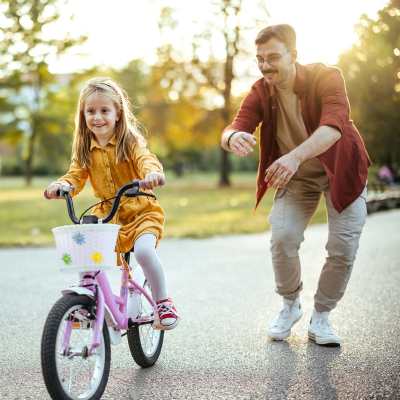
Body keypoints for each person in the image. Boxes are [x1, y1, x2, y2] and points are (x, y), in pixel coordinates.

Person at [221, 24, 370, 346]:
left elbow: (333, 128)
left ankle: (322, 316)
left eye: (273, 57)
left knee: (343, 248)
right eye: (259, 58)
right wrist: (233, 137)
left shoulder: (326, 78)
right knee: (282, 237)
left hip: (342, 172)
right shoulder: (262, 90)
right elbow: (235, 124)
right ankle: (290, 304)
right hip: (298, 178)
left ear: (294, 55)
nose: (265, 66)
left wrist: (293, 157)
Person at [45, 77, 179, 330]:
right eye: (90, 111)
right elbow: (75, 176)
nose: (97, 117)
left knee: (144, 252)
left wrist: (151, 174)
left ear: (118, 113)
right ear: (82, 114)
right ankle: (87, 299)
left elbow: (145, 159)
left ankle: (163, 302)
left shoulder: (130, 142)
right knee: (85, 255)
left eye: (104, 110)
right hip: (109, 216)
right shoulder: (85, 147)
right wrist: (62, 186)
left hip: (142, 211)